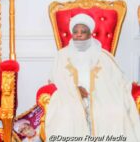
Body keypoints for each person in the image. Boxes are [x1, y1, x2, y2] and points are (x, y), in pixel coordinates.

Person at [45, 13, 140, 142]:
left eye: (83, 31)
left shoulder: (103, 56)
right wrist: (74, 90)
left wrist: (98, 92)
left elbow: (116, 80)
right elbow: (57, 79)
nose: (78, 34)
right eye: (75, 31)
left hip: (101, 95)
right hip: (70, 96)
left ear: (90, 34)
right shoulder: (61, 55)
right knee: (66, 113)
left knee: (116, 111)